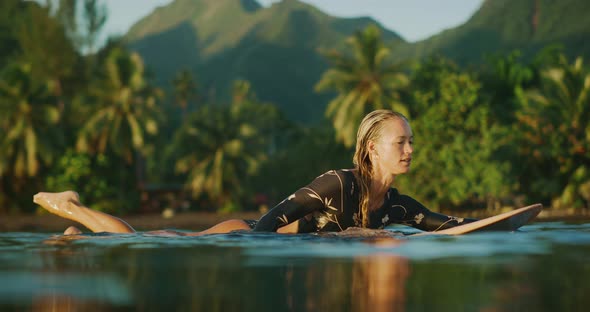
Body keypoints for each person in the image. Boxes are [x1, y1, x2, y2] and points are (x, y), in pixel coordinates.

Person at [33, 109, 476, 236]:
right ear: (373, 149)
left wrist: (493, 224)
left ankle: (77, 233)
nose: (411, 149)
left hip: (256, 236)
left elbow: (445, 224)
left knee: (151, 240)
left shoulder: (396, 205)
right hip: (239, 234)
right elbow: (273, 217)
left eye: (412, 141)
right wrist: (250, 256)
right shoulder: (339, 183)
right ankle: (71, 206)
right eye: (402, 141)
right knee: (142, 241)